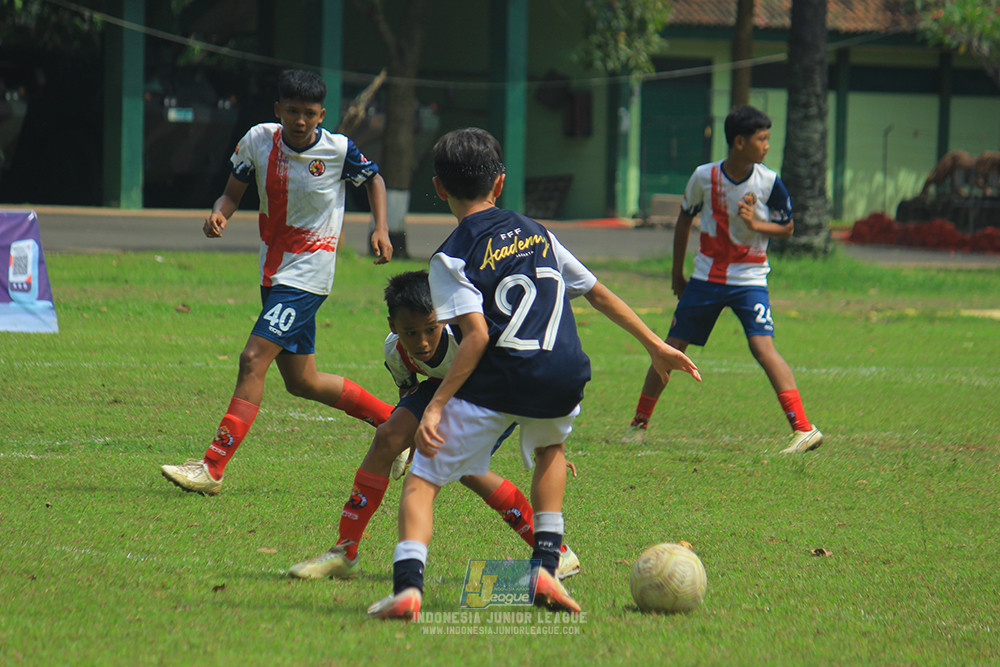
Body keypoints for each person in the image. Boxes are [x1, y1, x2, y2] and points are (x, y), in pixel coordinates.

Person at [367, 128, 701, 621]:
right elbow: (596, 290)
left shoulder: (450, 254)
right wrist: (655, 345)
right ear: (499, 184)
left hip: (501, 375)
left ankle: (408, 589)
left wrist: (435, 405)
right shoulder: (537, 231)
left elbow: (476, 337)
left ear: (439, 189)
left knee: (421, 478)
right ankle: (545, 565)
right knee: (549, 450)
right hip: (563, 372)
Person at [161, 69, 395, 495]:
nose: (301, 120)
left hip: (309, 274)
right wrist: (220, 214)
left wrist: (381, 228)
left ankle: (211, 467)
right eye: (292, 111)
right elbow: (232, 192)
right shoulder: (257, 140)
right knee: (302, 381)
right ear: (278, 111)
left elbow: (374, 178)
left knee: (253, 358)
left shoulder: (338, 149)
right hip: (273, 270)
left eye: (309, 113)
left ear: (322, 114)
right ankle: (395, 425)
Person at [287, 270, 581, 582]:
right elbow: (408, 395)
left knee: (467, 471)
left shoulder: (470, 338)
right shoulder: (395, 350)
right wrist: (406, 436)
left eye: (431, 329)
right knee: (387, 436)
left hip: (491, 391)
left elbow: (520, 380)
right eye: (410, 332)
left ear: (445, 316)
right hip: (439, 388)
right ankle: (344, 551)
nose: (423, 342)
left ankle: (556, 552)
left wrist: (547, 446)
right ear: (393, 327)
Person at [624, 105, 822, 455]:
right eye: (762, 139)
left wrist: (756, 225)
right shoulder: (704, 177)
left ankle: (803, 429)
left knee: (763, 348)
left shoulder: (769, 181)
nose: (766, 146)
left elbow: (787, 227)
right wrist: (677, 274)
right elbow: (684, 222)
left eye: (768, 139)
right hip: (706, 278)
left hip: (750, 279)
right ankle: (638, 425)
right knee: (671, 347)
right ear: (739, 142)